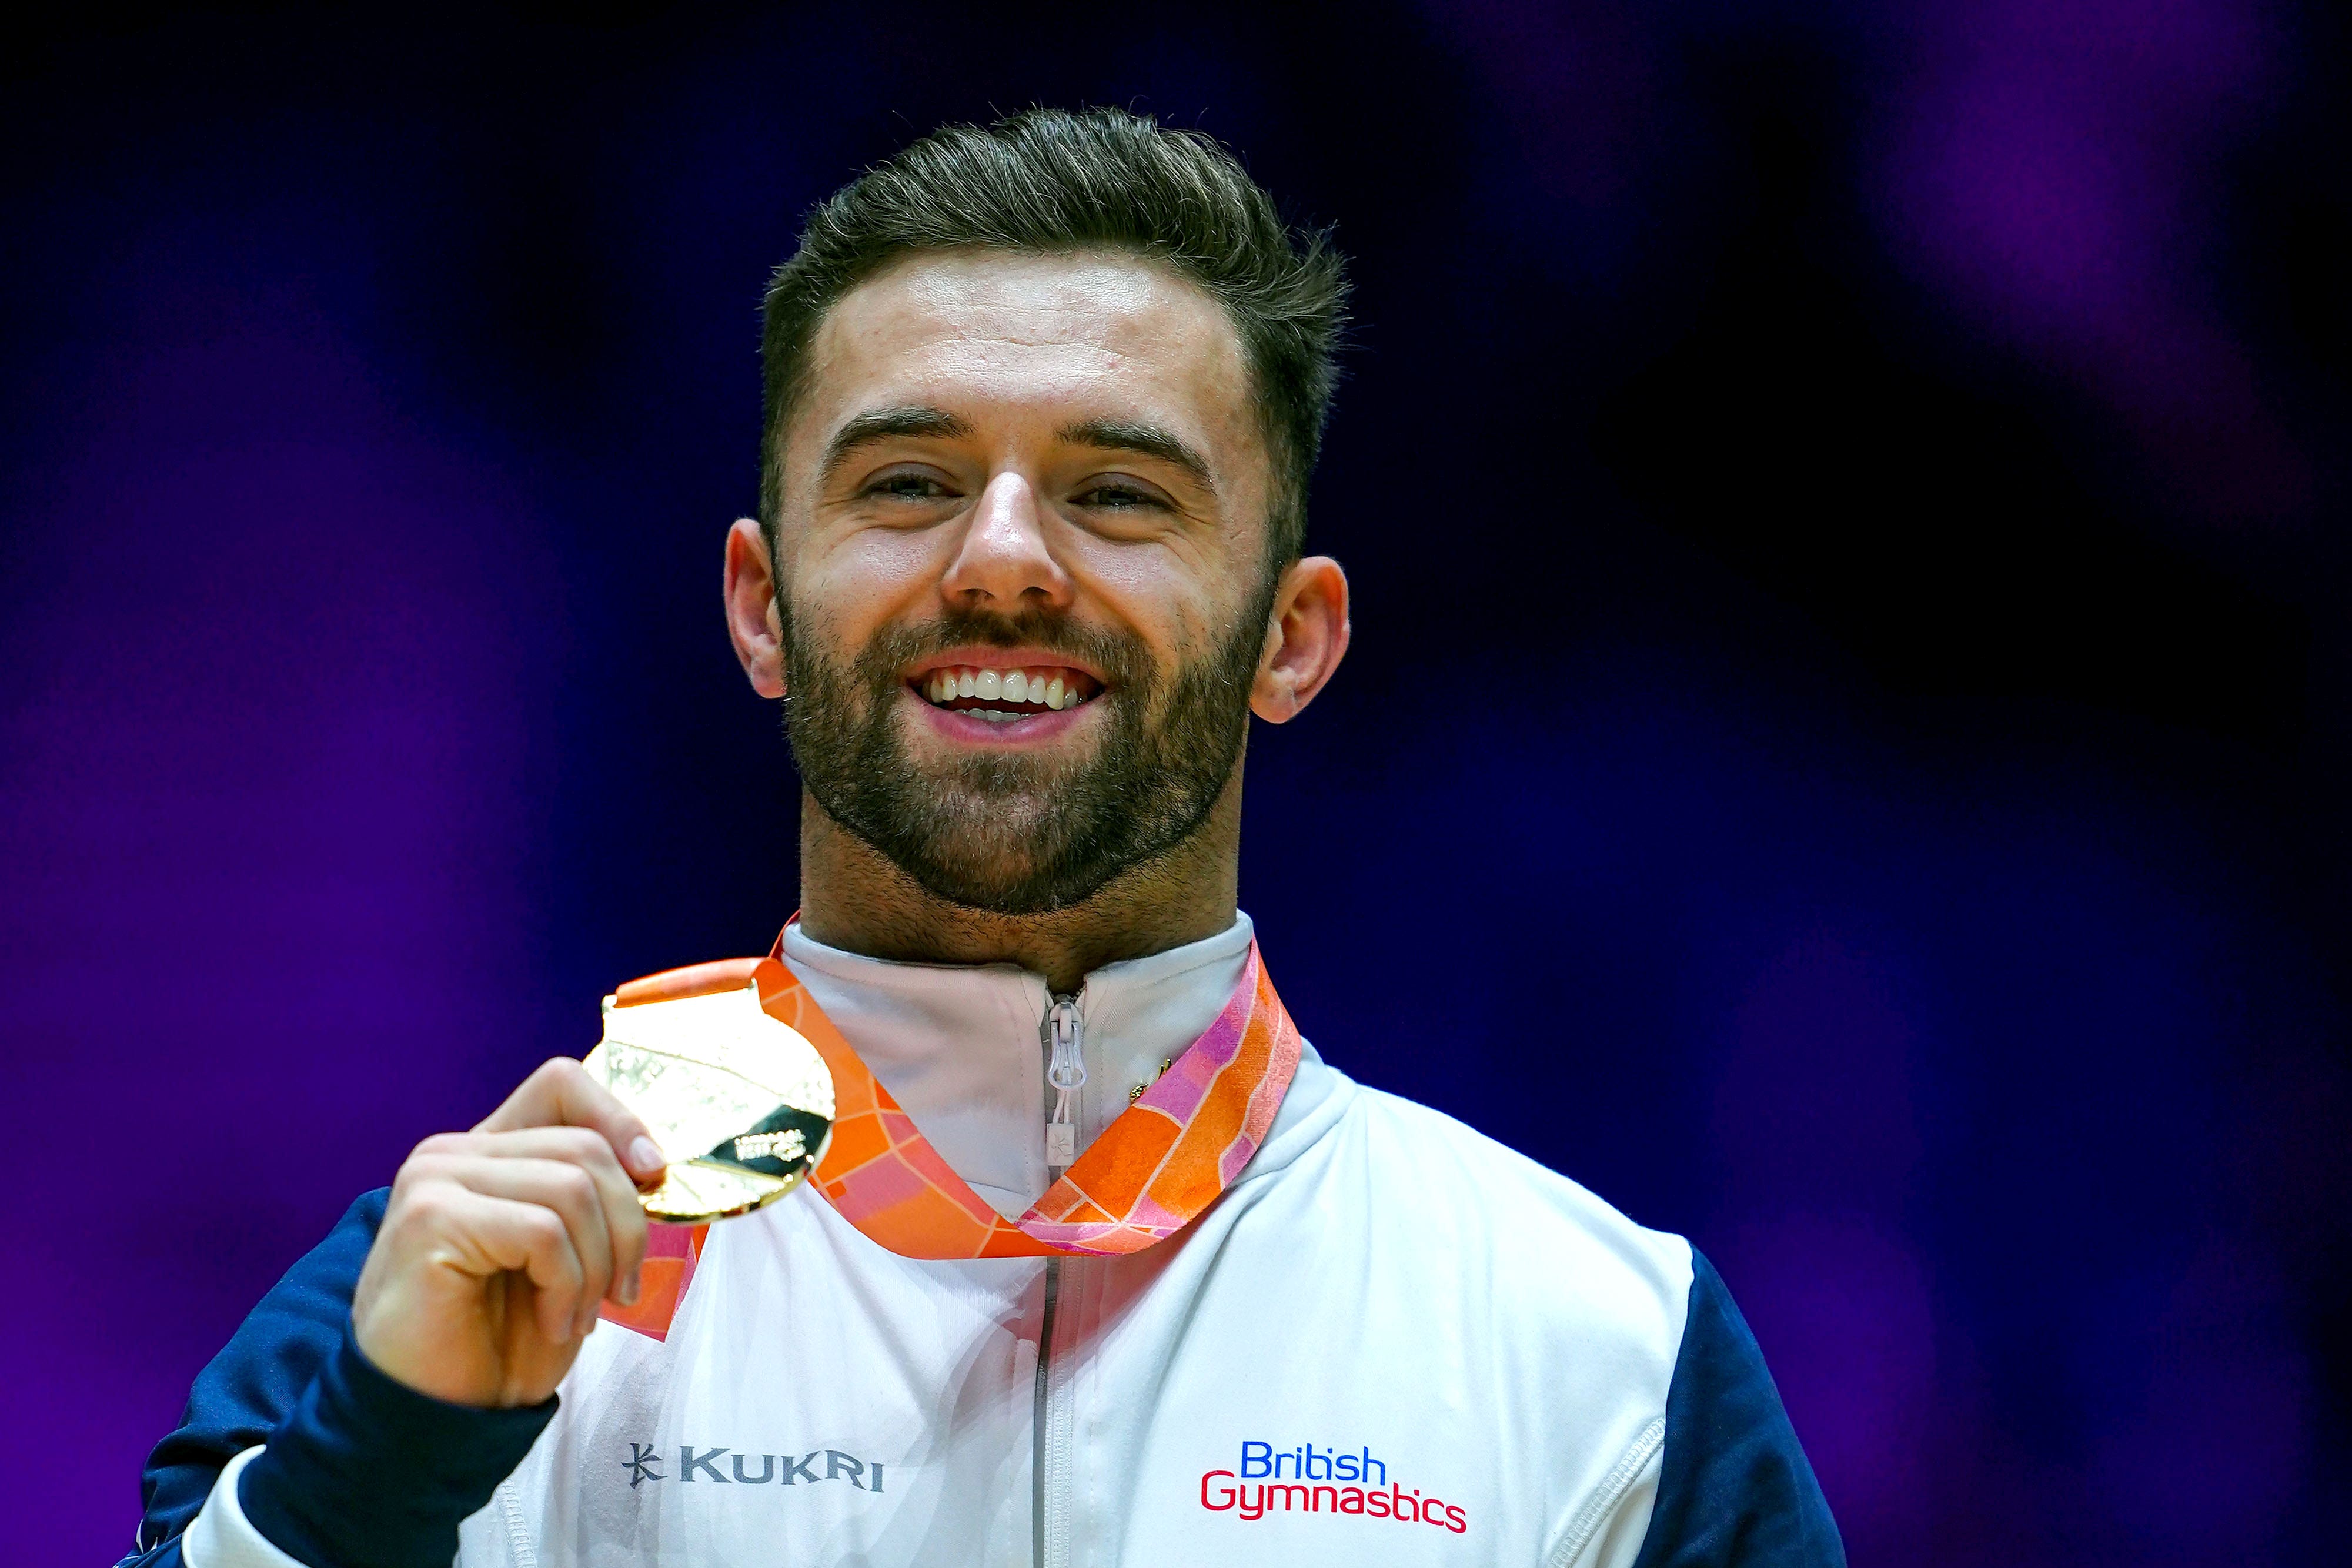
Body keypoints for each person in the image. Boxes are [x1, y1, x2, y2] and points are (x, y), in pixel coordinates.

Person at [126, 108, 1843, 1568]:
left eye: (1118, 493)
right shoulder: (449, 1297)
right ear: (761, 609)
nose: (1005, 559)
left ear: (1292, 636)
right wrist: (381, 1461)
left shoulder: (1604, 1345)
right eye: (906, 483)